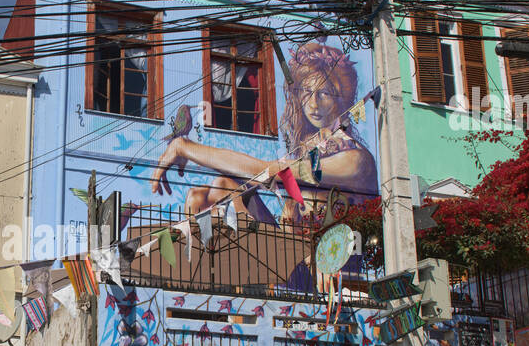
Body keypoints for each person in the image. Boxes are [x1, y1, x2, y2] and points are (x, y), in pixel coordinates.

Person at [149, 41, 375, 225]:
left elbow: (265, 170)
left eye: (324, 93)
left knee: (236, 184)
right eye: (306, 92)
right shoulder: (307, 149)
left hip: (331, 265)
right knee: (217, 189)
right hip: (294, 256)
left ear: (342, 99)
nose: (313, 103)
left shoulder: (355, 160)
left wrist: (186, 148)